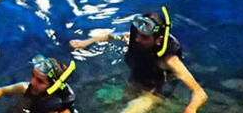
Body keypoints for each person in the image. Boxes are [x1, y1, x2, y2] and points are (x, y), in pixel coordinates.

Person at [69, 8, 207, 113]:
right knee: (122, 101)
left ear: (158, 40)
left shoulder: (170, 59)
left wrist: (190, 109)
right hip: (138, 79)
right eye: (138, 35)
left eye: (145, 38)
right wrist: (85, 42)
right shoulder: (135, 38)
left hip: (156, 90)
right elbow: (110, 36)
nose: (137, 40)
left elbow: (200, 93)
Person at [0, 54, 77, 113]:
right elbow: (0, 91)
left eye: (40, 81)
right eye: (33, 76)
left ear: (53, 87)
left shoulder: (58, 110)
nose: (32, 82)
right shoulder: (25, 88)